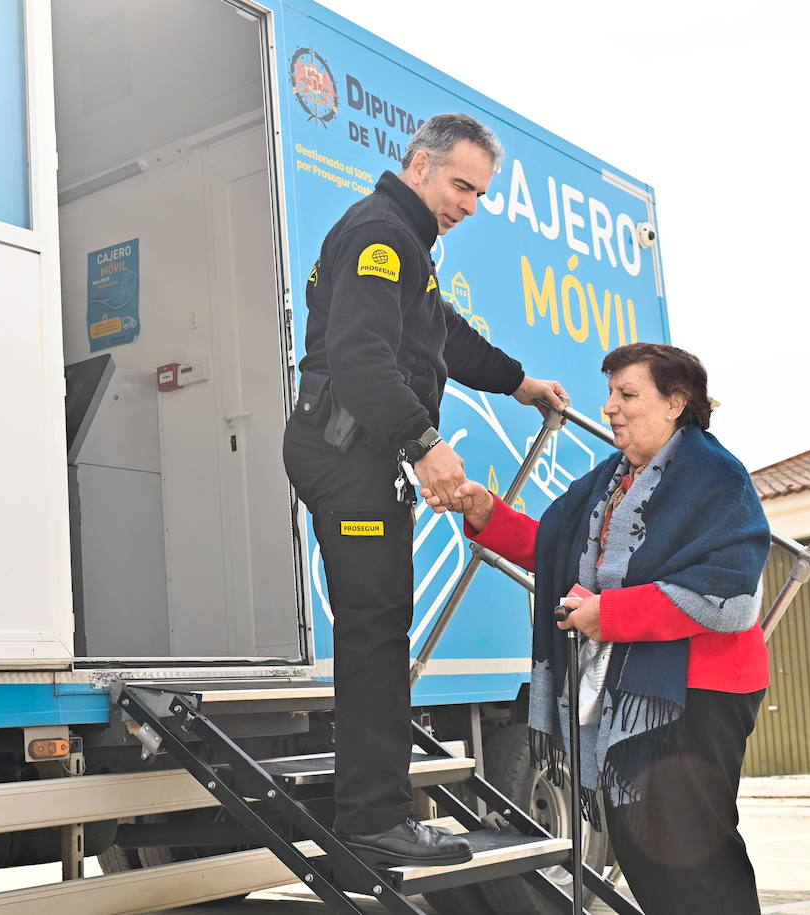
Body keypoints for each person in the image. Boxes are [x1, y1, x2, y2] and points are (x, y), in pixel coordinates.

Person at [282, 112, 569, 867]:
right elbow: (359, 357)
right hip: (350, 454)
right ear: (419, 166)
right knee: (376, 632)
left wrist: (519, 382)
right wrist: (427, 443)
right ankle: (374, 821)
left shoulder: (409, 243)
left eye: (480, 192)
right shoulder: (382, 235)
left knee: (380, 627)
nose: (470, 204)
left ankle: (375, 812)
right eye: (461, 184)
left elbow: (443, 334)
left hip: (362, 455)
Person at [422, 342, 770, 914]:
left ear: (676, 403)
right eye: (610, 393)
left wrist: (610, 616)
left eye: (627, 394)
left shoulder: (716, 477)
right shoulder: (613, 479)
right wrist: (486, 513)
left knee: (692, 850)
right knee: (640, 844)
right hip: (637, 688)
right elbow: (555, 551)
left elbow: (727, 597)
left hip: (702, 690)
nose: (609, 407)